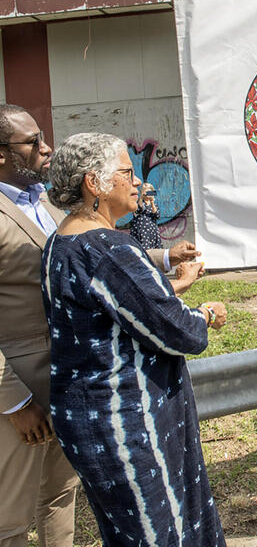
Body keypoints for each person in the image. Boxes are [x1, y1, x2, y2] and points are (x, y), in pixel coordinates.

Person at [42, 132, 228, 546]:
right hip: (128, 420)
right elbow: (178, 331)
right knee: (161, 532)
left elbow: (118, 308)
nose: (138, 182)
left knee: (127, 534)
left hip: (88, 419)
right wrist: (207, 315)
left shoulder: (60, 242)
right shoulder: (110, 248)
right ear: (96, 183)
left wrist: (172, 287)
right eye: (127, 172)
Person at [0, 104, 79, 547]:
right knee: (9, 517)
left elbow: (85, 260)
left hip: (65, 377)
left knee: (60, 496)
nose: (46, 148)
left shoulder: (47, 203)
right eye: (32, 142)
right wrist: (13, 403)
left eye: (42, 137)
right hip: (18, 390)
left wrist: (164, 260)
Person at [130, 182, 163, 249]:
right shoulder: (138, 203)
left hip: (152, 230)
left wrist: (152, 202)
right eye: (146, 191)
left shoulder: (154, 205)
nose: (148, 193)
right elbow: (138, 210)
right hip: (141, 230)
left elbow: (157, 216)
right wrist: (141, 198)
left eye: (149, 192)